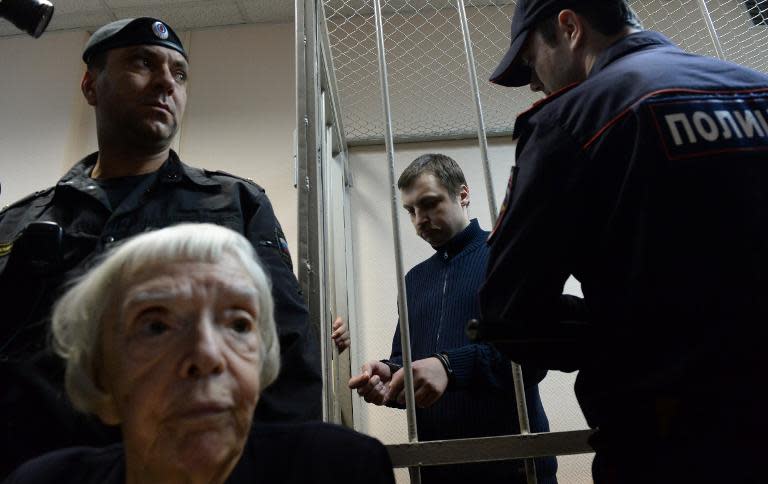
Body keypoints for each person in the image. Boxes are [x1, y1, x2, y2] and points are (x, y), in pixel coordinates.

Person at [0, 17, 328, 477]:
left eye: (179, 73)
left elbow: (285, 347)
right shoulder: (20, 223)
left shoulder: (235, 203)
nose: (165, 83)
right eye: (142, 63)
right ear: (91, 85)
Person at [480, 0, 768, 482]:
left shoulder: (571, 120)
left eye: (531, 61)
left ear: (569, 27)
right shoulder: (756, 89)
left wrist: (621, 329)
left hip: (671, 442)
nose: (532, 82)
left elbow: (508, 313)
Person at [2, 223, 395, 484]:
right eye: (156, 325)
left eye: (239, 324)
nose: (207, 354)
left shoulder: (341, 471)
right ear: (101, 374)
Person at [348, 154, 557, 484]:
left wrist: (448, 366)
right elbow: (410, 361)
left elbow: (532, 355)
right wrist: (389, 376)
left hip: (515, 466)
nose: (419, 220)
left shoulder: (505, 254)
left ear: (463, 194)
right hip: (437, 468)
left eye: (429, 204)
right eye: (411, 211)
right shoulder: (414, 280)